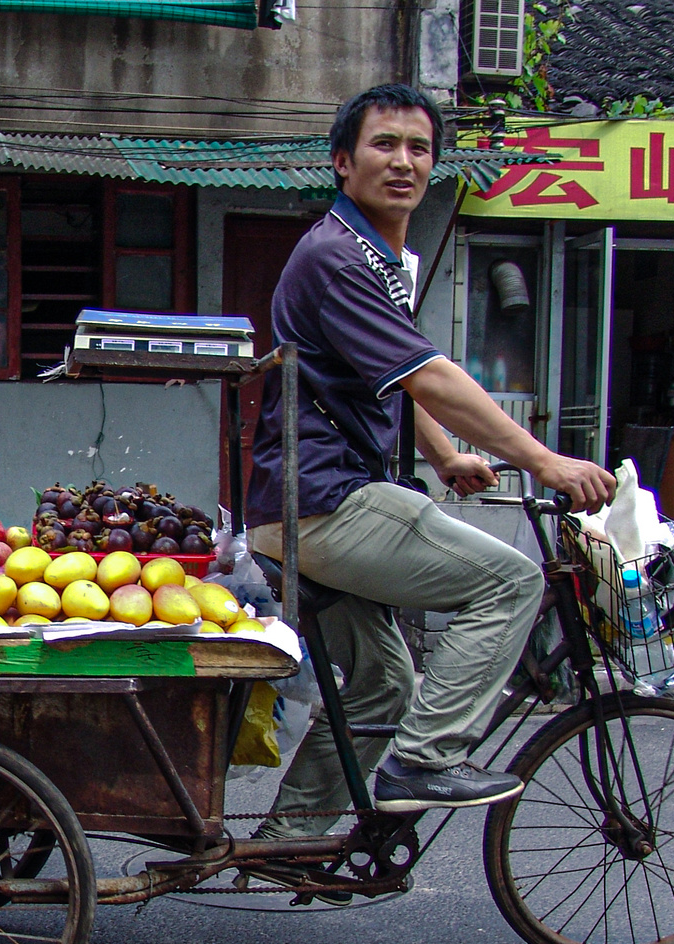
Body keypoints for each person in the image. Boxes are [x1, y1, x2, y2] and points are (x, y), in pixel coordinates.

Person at [245, 84, 616, 846]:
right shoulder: (336, 256)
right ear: (342, 163)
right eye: (384, 145)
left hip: (304, 505)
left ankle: (289, 842)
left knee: (384, 683)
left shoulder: (380, 258)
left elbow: (387, 372)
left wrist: (445, 455)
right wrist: (541, 459)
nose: (403, 162)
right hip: (324, 502)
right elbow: (428, 374)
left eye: (419, 148)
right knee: (510, 581)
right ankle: (423, 759)